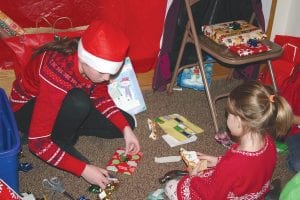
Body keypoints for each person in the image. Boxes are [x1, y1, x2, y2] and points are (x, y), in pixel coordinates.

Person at [10, 20, 140, 189]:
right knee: (79, 102)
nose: (107, 79)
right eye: (102, 72)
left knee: (127, 121)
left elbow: (100, 97)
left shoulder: (94, 66)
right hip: (26, 110)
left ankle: (65, 131)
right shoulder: (56, 70)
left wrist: (126, 130)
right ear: (84, 60)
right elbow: (37, 144)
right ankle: (58, 138)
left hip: (64, 102)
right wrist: (84, 169)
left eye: (111, 73)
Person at [164, 81, 293, 200]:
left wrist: (194, 178)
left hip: (224, 195)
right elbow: (246, 170)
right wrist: (217, 161)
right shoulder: (268, 142)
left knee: (172, 187)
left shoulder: (232, 165)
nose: (226, 118)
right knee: (211, 172)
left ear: (238, 121)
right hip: (253, 191)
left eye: (228, 114)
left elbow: (212, 195)